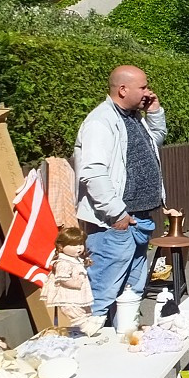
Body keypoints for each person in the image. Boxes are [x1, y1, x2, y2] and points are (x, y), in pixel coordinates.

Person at [74, 65, 166, 331]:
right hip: (116, 222)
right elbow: (92, 172)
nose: (148, 91)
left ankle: (125, 337)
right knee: (104, 288)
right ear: (123, 90)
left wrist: (155, 112)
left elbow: (155, 140)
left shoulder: (133, 118)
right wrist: (117, 213)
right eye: (143, 87)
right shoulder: (100, 122)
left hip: (139, 218)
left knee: (131, 287)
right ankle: (91, 341)